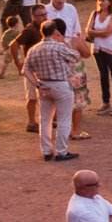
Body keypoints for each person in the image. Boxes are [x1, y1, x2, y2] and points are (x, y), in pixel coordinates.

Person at [25, 19, 86, 162]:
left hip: (44, 85)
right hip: (61, 85)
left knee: (45, 119)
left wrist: (37, 84)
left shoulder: (34, 49)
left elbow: (25, 70)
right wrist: (63, 41)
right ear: (55, 32)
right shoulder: (59, 47)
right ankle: (61, 151)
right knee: (64, 119)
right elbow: (76, 56)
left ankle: (46, 151)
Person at [9, 4, 48, 133]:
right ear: (33, 16)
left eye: (45, 14)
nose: (44, 17)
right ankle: (31, 122)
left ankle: (49, 119)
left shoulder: (46, 27)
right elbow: (14, 44)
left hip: (44, 68)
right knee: (32, 97)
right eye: (41, 15)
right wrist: (18, 63)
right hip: (32, 69)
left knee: (46, 96)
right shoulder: (30, 30)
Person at [86, 0, 112, 116]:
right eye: (99, 0)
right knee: (103, 74)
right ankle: (105, 101)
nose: (101, 2)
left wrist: (94, 33)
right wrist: (97, 33)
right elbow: (87, 30)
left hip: (111, 48)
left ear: (110, 1)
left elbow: (108, 32)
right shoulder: (95, 14)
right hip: (98, 48)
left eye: (104, 0)